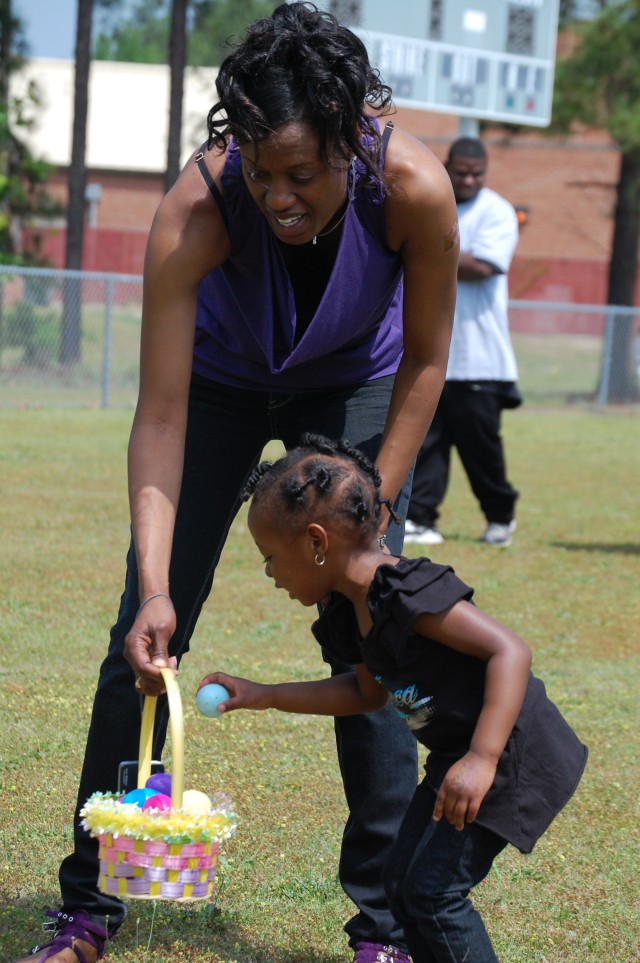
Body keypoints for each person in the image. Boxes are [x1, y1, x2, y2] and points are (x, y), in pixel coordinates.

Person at [15, 5, 459, 962]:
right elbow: (162, 415)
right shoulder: (200, 204)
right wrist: (160, 585)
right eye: (260, 171)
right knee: (139, 629)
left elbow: (427, 362)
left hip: (354, 382)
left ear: (351, 143)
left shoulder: (415, 188)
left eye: (301, 173)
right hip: (216, 386)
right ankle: (91, 901)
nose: (277, 195)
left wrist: (372, 510)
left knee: (374, 630)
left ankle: (383, 926)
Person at [200, 433, 588, 963]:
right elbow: (364, 693)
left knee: (434, 894)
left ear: (317, 543)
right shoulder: (343, 610)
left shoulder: (405, 592)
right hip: (458, 758)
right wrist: (265, 695)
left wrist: (482, 758)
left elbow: (510, 652)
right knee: (403, 884)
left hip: (510, 753)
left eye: (270, 558)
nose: (269, 575)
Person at [404, 137, 521, 549]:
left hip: (479, 358)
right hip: (429, 352)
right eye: (461, 172)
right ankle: (421, 518)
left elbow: (485, 266)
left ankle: (500, 516)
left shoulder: (497, 211)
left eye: (477, 173)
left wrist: (422, 251)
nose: (469, 179)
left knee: (480, 448)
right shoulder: (431, 202)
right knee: (427, 443)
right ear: (447, 167)